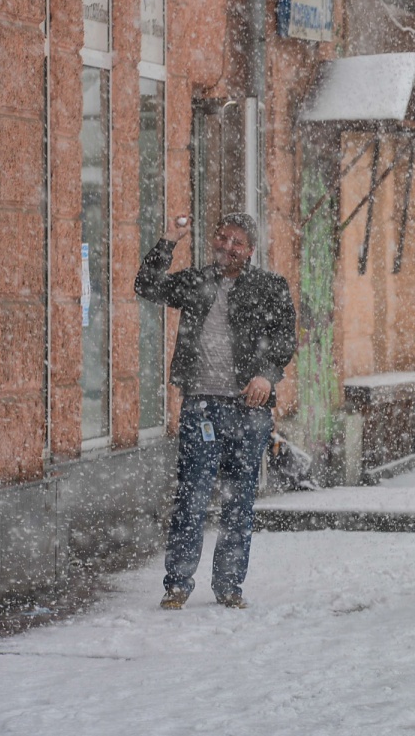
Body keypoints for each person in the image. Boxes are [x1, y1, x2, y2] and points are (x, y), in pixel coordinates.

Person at [135, 212, 296, 610]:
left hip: (249, 408)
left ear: (251, 250)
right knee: (192, 496)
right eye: (222, 238)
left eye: (237, 242)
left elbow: (284, 338)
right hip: (201, 407)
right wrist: (170, 240)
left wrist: (266, 375)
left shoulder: (270, 287)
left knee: (238, 501)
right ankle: (177, 584)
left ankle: (228, 587)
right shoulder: (196, 281)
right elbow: (147, 285)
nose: (227, 246)